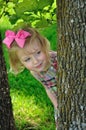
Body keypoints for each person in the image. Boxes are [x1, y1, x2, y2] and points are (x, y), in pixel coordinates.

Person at [3, 26, 58, 129]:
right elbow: (48, 88)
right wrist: (57, 105)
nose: (35, 61)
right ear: (20, 62)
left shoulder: (56, 59)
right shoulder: (35, 73)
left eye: (38, 53)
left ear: (44, 46)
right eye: (27, 59)